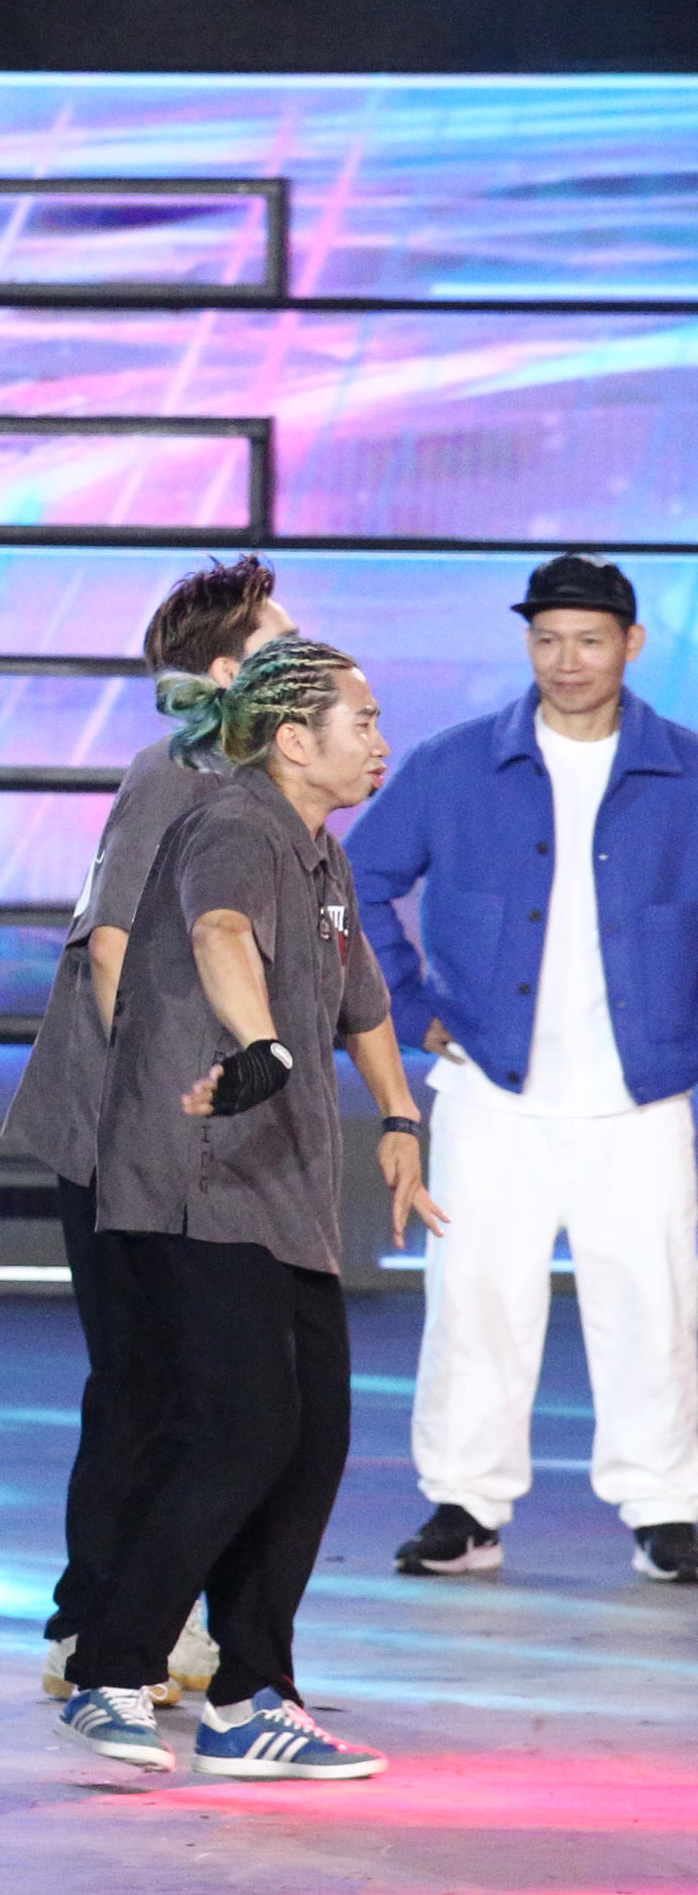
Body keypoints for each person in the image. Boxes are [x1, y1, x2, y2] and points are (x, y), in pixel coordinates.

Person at [59, 636, 439, 1780]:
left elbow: (366, 1002)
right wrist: (261, 1041)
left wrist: (400, 1119)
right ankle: (109, 1665)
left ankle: (250, 1695)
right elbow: (220, 932)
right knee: (242, 1426)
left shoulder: (322, 853)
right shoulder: (233, 823)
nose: (379, 740)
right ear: (292, 740)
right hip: (195, 1180)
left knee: (313, 1438)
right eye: (362, 721)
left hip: (284, 1189)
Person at [349, 553, 698, 1586]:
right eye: (547, 639)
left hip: (640, 1094)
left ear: (632, 645)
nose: (567, 660)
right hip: (491, 1090)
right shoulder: (457, 764)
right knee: (475, 1301)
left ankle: (668, 1507)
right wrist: (412, 1010)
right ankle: (464, 1506)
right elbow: (354, 883)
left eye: (589, 639)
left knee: (654, 1306)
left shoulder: (686, 771)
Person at [3, 558, 292, 1701]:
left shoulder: (255, 782)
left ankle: (151, 1613)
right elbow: (111, 945)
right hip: (121, 1129)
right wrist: (151, 1107)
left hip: (191, 1129)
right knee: (139, 1376)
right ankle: (92, 1624)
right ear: (224, 673)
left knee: (192, 1380)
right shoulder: (169, 772)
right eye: (279, 643)